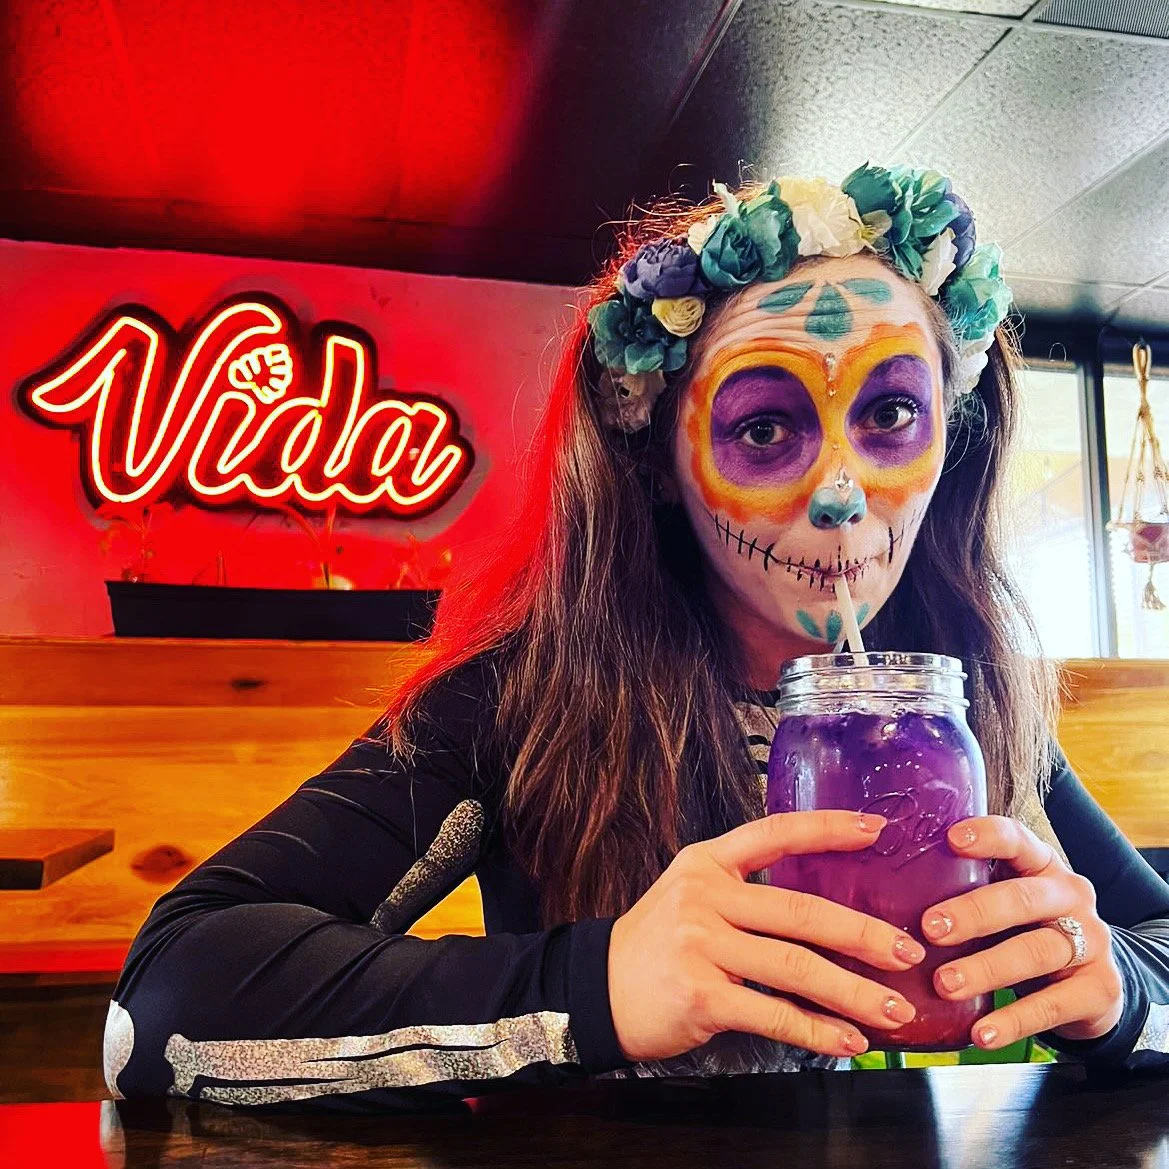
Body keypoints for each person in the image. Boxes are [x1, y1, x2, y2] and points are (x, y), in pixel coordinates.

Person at [103, 166, 1169, 1111]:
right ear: (658, 461)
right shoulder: (524, 700)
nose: (843, 492)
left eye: (890, 415)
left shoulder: (946, 712)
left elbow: (1152, 940)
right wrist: (594, 984)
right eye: (763, 427)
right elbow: (163, 1005)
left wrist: (1114, 983)